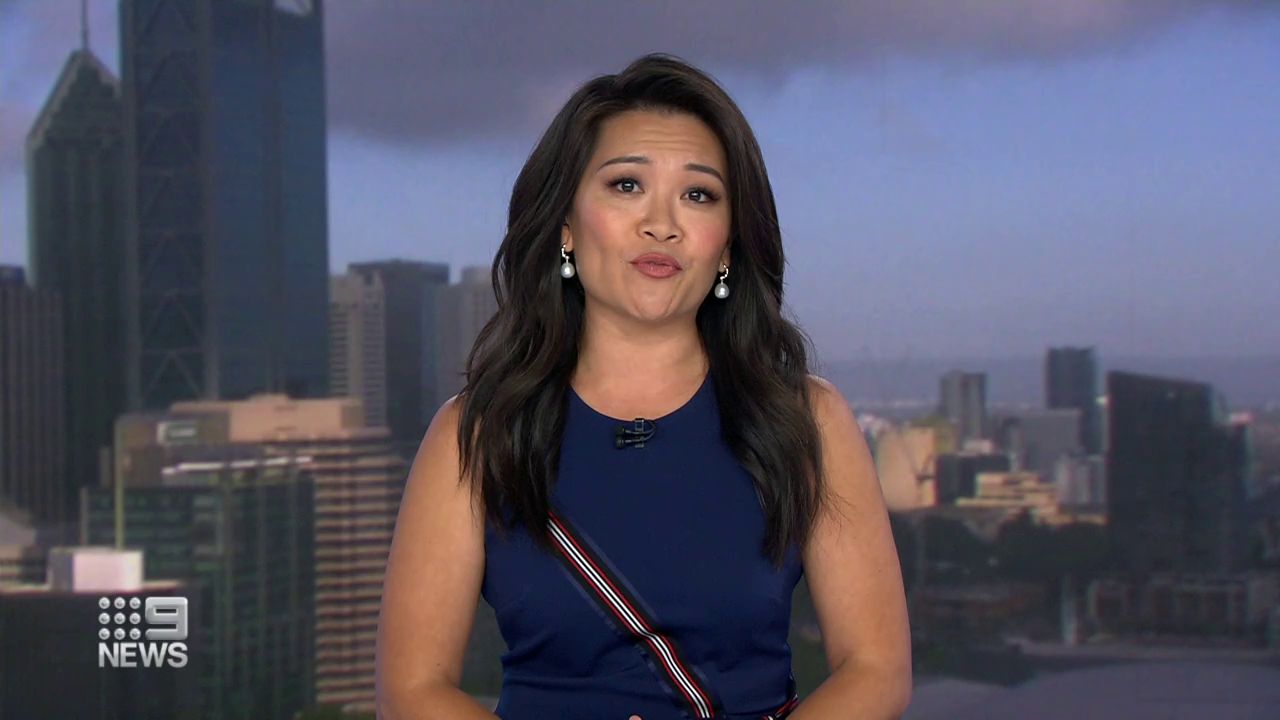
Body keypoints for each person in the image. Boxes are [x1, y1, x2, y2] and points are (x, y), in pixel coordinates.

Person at [376, 53, 912, 720]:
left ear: (727, 246)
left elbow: (876, 670)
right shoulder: (477, 433)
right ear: (566, 226)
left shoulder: (807, 421)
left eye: (698, 195)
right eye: (627, 185)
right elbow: (412, 692)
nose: (662, 223)